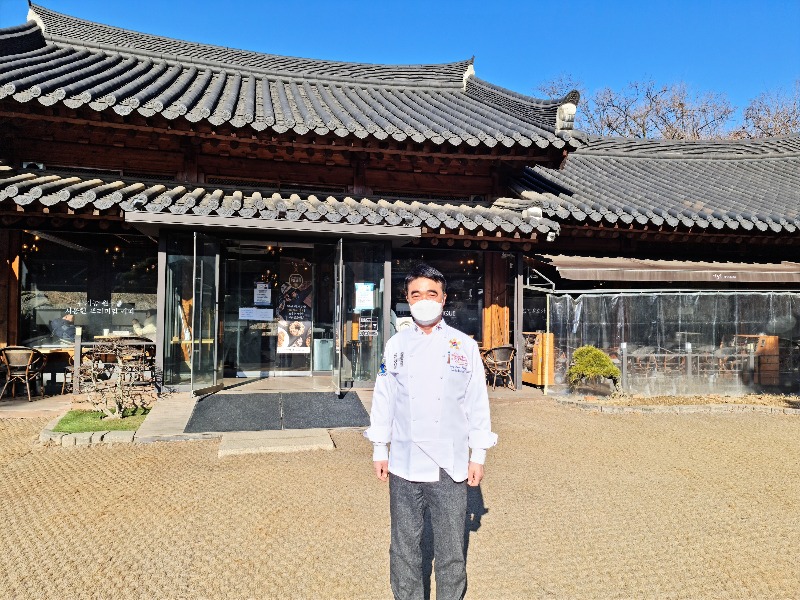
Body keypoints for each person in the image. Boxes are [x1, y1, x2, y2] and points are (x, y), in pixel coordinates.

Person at [365, 263, 497, 600]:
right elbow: (384, 398)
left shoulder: (463, 346)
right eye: (416, 294)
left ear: (443, 298)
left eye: (431, 293)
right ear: (408, 300)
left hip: (449, 465)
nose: (424, 300)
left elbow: (477, 403)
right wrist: (380, 448)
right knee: (404, 546)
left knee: (451, 549)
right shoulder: (395, 345)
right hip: (404, 462)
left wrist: (478, 455)